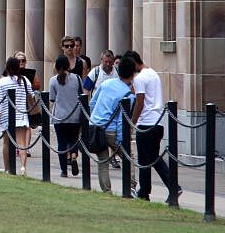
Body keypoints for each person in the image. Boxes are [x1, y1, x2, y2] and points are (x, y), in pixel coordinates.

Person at [125, 50, 182, 203]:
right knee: (153, 158)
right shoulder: (153, 74)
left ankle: (150, 190)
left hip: (146, 123)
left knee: (145, 160)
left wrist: (133, 122)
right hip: (158, 122)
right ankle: (165, 188)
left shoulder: (140, 78)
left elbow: (140, 101)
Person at [88, 57, 136, 193]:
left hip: (96, 126)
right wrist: (122, 139)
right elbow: (122, 120)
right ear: (132, 74)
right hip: (112, 130)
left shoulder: (106, 83)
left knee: (103, 162)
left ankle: (106, 191)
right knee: (128, 157)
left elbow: (93, 103)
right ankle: (131, 187)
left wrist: (94, 118)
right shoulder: (128, 95)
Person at [0, 56, 35, 175]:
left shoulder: (1, 82)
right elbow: (31, 96)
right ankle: (23, 167)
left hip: (6, 116)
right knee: (22, 143)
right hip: (21, 115)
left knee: (6, 143)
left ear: (7, 67)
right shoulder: (25, 80)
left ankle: (7, 168)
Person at [48, 54, 83, 177]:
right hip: (74, 115)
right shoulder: (77, 78)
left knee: (61, 142)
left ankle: (64, 170)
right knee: (73, 139)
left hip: (60, 116)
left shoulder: (53, 81)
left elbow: (52, 99)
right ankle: (73, 156)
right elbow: (81, 95)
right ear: (69, 66)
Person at [14, 51, 41, 158]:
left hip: (27, 101)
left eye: (23, 60)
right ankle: (18, 146)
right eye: (18, 60)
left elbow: (37, 85)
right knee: (16, 125)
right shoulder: (10, 73)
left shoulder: (30, 73)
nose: (21, 63)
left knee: (28, 125)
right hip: (15, 101)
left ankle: (26, 147)